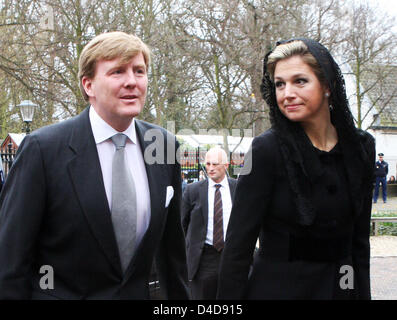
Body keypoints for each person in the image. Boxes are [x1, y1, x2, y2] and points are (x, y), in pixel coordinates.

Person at [0, 31, 189, 300]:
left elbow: (173, 259)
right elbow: (11, 263)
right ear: (88, 85)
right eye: (117, 72)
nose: (132, 82)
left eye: (139, 71)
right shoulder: (43, 150)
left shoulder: (164, 147)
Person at [217, 38, 375, 300]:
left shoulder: (361, 148)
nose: (287, 93)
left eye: (299, 81)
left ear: (327, 85)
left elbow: (360, 243)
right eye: (280, 84)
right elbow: (237, 248)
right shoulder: (266, 151)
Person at [182, 147, 237, 299]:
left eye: (215, 164)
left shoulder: (238, 189)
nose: (210, 168)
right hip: (204, 259)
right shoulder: (192, 191)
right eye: (207, 164)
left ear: (226, 166)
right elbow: (183, 224)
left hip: (232, 256)